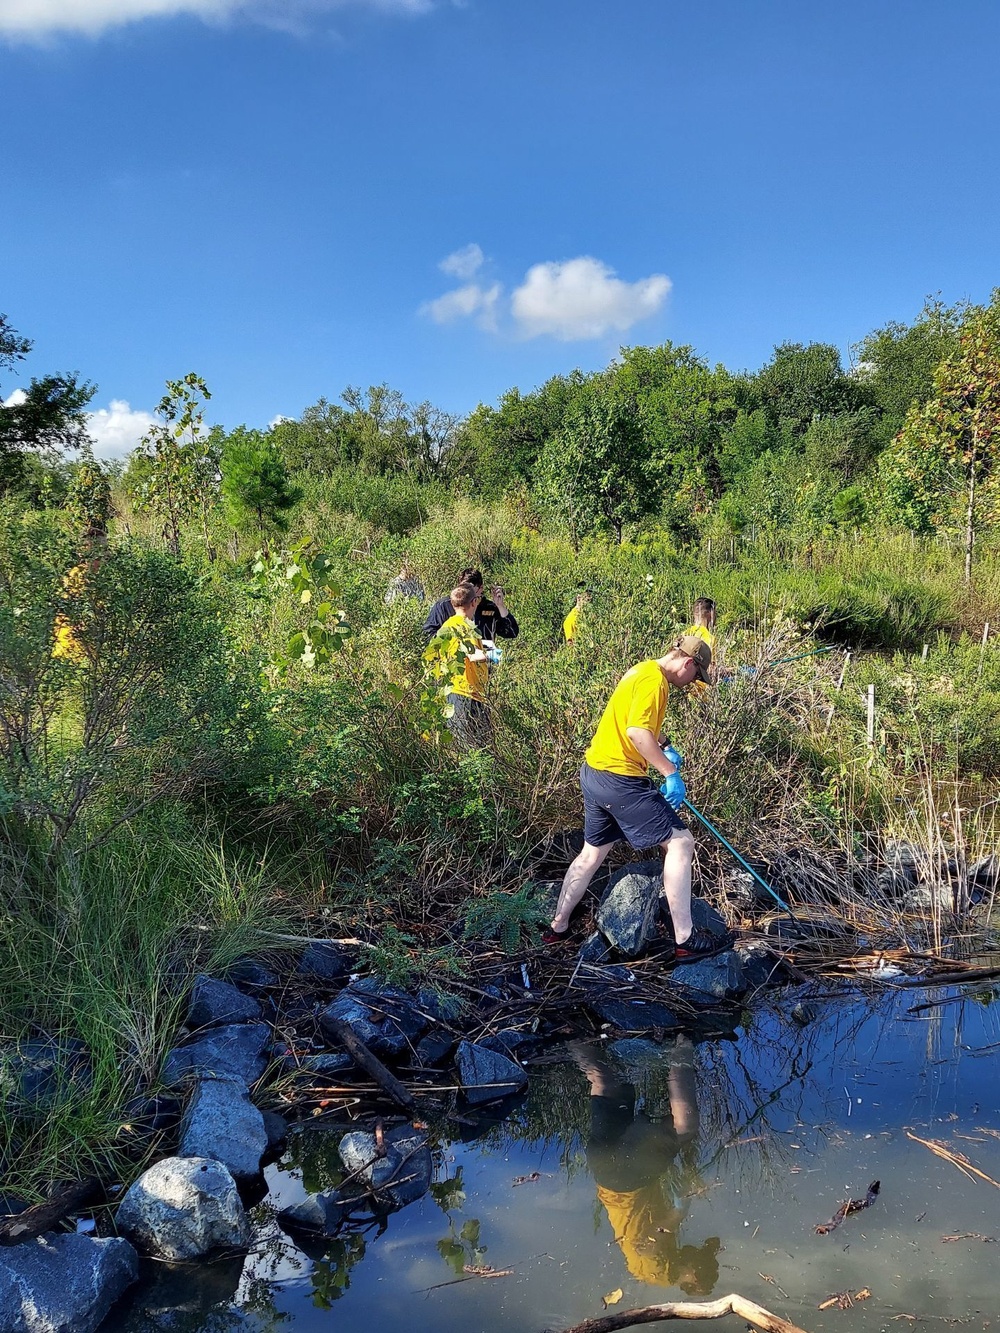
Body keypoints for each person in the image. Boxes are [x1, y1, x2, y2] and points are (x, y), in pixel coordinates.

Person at [547, 635, 718, 959]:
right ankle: (685, 939)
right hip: (619, 779)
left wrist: (665, 744)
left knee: (591, 854)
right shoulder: (657, 684)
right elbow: (637, 733)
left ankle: (557, 928)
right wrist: (669, 772)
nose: (692, 683)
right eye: (696, 676)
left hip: (594, 772)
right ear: (688, 662)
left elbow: (639, 722)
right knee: (681, 842)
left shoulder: (641, 671)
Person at [569, 1037, 720, 1295]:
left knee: (684, 1129)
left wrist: (678, 1212)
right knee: (608, 1085)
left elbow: (643, 1244)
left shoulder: (659, 1274)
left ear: (694, 1277)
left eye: (703, 1259)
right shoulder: (667, 1262)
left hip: (627, 1179)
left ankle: (681, 1049)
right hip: (605, 1171)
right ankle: (571, 1035)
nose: (697, 1250)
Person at [431, 581, 491, 746]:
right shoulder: (466, 626)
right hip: (468, 693)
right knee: (478, 746)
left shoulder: (446, 625)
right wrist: (494, 655)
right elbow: (473, 655)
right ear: (474, 602)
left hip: (452, 692)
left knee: (461, 745)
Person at [422, 567, 519, 642]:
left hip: (482, 664)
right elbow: (427, 634)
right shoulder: (443, 605)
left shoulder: (489, 607)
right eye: (463, 588)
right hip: (454, 663)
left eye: (470, 589)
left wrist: (500, 606)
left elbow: (512, 633)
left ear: (480, 589)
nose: (466, 592)